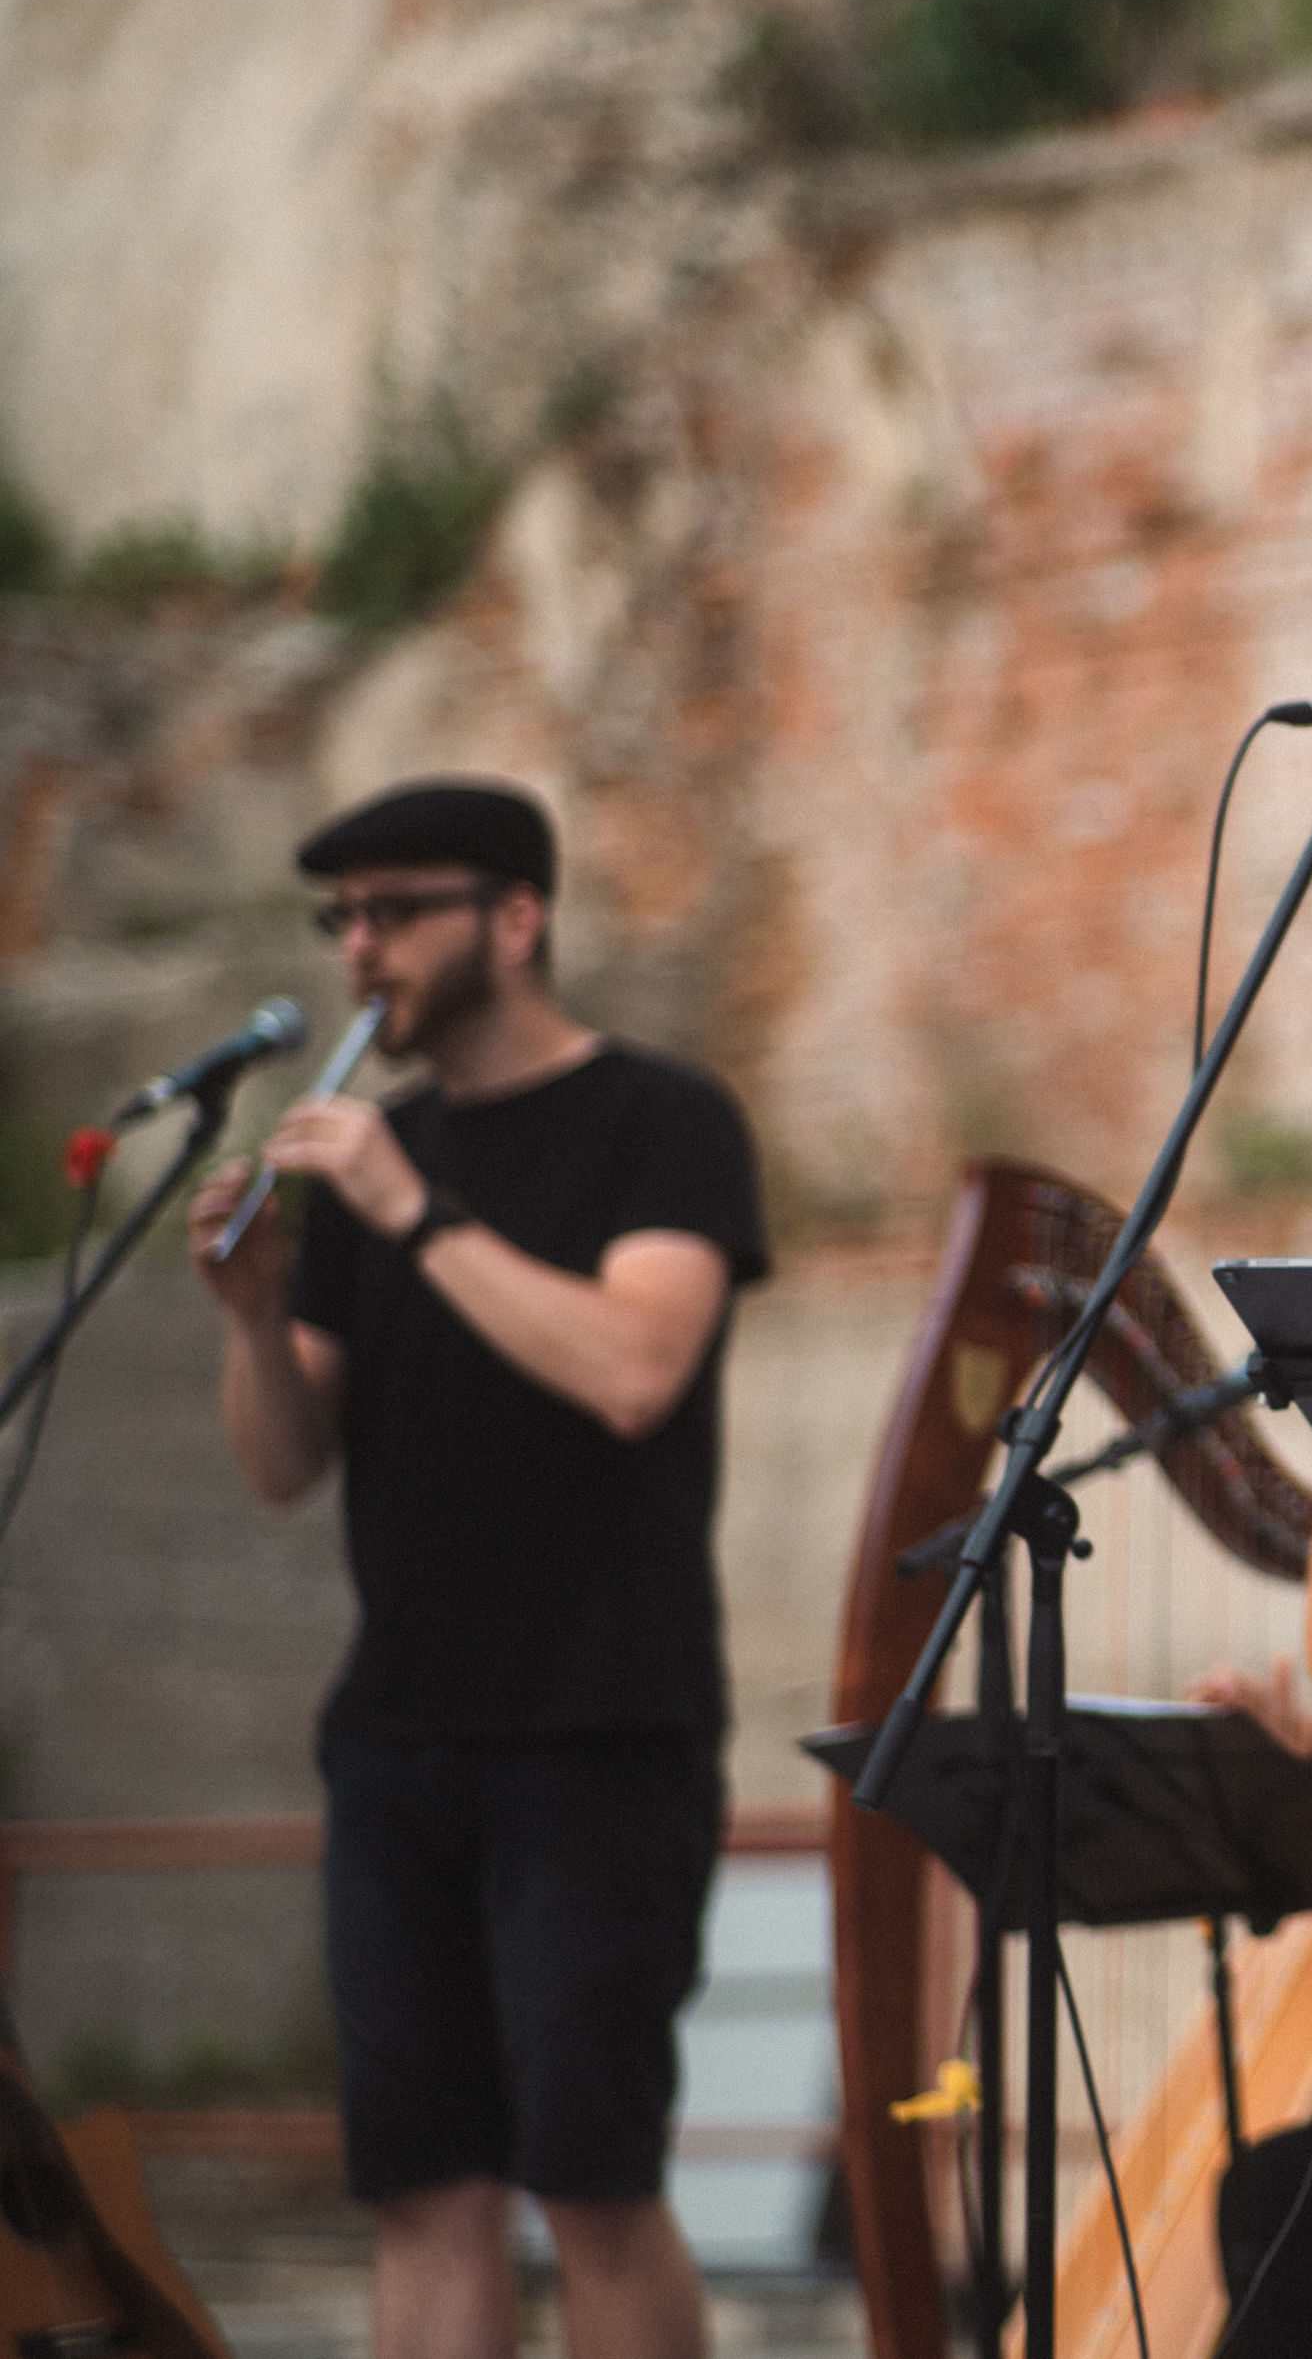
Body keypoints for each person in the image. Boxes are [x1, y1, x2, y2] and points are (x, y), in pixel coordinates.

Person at [186, 779, 768, 2359]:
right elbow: (283, 1462)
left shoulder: (662, 1122)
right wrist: (253, 1313)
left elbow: (634, 1368)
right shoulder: (387, 1158)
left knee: (590, 2184)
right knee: (425, 2192)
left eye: (395, 910)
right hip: (398, 1739)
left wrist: (413, 1208)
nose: (361, 949)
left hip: (598, 1730)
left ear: (516, 919)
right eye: (342, 920)